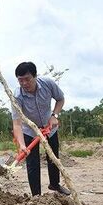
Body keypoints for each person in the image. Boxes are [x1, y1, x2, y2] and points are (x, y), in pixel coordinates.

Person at [11, 62, 70, 196]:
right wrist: (21, 145)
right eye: (20, 80)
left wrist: (54, 115)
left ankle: (55, 184)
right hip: (29, 131)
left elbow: (60, 99)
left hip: (49, 127)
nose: (24, 83)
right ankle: (36, 196)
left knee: (53, 157)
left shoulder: (48, 84)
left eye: (27, 79)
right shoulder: (17, 96)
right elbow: (17, 124)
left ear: (35, 76)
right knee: (32, 164)